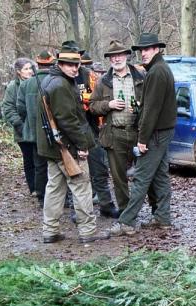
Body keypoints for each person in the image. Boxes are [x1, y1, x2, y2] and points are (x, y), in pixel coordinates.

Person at [34, 50, 108, 244]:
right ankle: (88, 231)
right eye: (69, 64)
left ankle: (50, 231)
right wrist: (81, 145)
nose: (74, 68)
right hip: (66, 147)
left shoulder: (51, 81)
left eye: (76, 65)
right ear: (59, 64)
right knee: (81, 186)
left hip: (54, 147)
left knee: (55, 188)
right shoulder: (60, 85)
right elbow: (68, 120)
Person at [108, 33, 176, 235]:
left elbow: (151, 111)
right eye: (141, 50)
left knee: (141, 177)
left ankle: (126, 221)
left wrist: (142, 140)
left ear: (157, 49)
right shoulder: (158, 69)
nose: (143, 53)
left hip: (155, 133)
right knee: (160, 176)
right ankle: (162, 217)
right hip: (163, 131)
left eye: (147, 49)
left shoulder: (156, 72)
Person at [90, 40, 147, 234]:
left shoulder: (141, 76)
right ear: (109, 59)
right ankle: (126, 215)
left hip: (139, 132)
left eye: (120, 55)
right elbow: (93, 107)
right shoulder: (103, 81)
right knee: (119, 177)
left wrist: (140, 107)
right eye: (113, 56)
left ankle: (154, 212)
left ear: (126, 56)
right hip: (114, 133)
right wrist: (109, 105)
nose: (116, 58)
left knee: (145, 175)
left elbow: (151, 101)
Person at [61, 40, 118, 218]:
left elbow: (98, 102)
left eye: (76, 59)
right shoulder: (57, 80)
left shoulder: (90, 77)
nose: (73, 66)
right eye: (69, 61)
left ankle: (106, 204)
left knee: (99, 169)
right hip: (68, 133)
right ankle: (76, 210)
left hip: (92, 130)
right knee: (73, 173)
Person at [17, 51, 55, 206]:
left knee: (39, 165)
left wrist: (31, 121)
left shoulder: (26, 84)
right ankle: (62, 197)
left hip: (33, 132)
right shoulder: (56, 80)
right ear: (52, 63)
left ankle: (41, 196)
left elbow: (20, 107)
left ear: (37, 65)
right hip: (55, 131)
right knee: (57, 164)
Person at [0, 58, 38, 197]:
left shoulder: (37, 82)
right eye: (26, 69)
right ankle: (33, 188)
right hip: (22, 129)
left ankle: (43, 187)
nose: (29, 71)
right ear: (18, 72)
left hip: (38, 127)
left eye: (31, 68)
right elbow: (8, 108)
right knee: (29, 159)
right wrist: (19, 125)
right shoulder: (12, 87)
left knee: (40, 158)